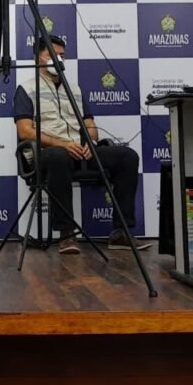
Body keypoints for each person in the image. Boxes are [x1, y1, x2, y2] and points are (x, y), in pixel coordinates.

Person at [13, 35, 150, 254]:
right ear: (38, 58)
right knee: (58, 155)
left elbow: (91, 126)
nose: (59, 59)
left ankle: (121, 232)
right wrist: (63, 144)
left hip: (81, 150)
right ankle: (66, 234)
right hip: (49, 154)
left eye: (62, 55)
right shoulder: (26, 89)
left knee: (128, 156)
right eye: (52, 55)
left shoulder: (74, 89)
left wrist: (89, 143)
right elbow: (24, 131)